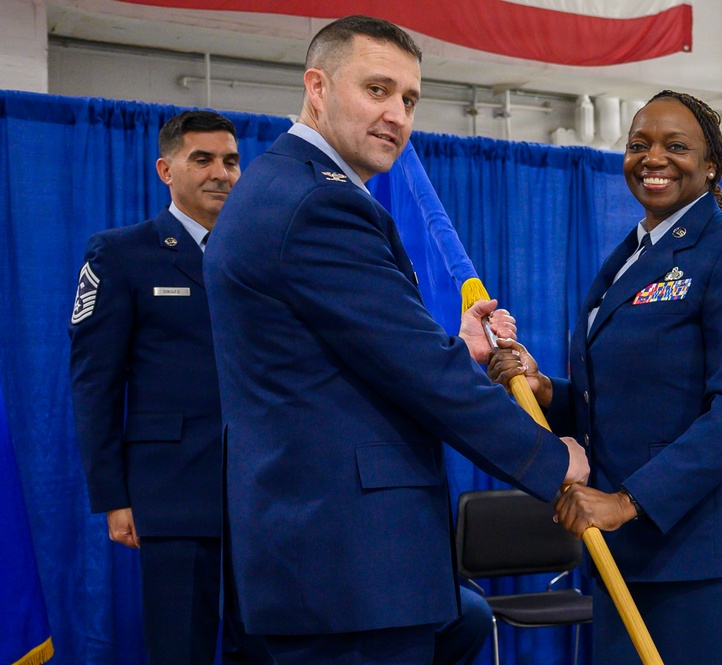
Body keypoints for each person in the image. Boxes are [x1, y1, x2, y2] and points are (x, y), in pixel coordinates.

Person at [203, 15, 588, 665]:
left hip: (324, 562)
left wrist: (454, 347)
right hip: (347, 568)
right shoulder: (316, 202)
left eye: (409, 98)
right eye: (377, 89)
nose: (397, 114)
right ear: (317, 87)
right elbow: (419, 374)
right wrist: (552, 461)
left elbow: (355, 355)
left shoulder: (278, 187)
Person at [488, 91, 722, 665]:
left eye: (675, 146)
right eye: (639, 144)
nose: (653, 157)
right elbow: (611, 403)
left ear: (711, 165)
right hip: (626, 553)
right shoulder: (627, 261)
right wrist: (543, 391)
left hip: (712, 558)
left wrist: (626, 502)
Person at [69, 111, 270, 664]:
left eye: (230, 160)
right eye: (201, 159)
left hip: (265, 490)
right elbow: (95, 384)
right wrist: (113, 497)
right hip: (172, 490)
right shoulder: (121, 253)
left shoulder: (263, 256)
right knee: (178, 647)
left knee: (265, 647)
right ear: (166, 169)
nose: (221, 173)